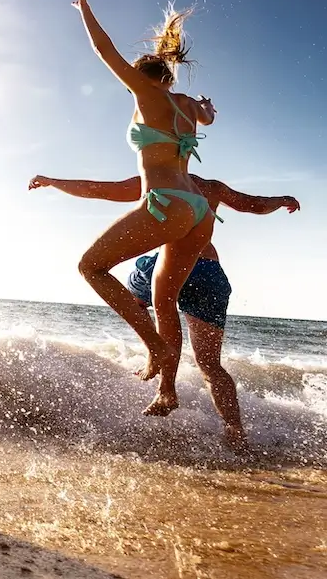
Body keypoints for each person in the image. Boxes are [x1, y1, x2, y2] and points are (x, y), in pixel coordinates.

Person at [29, 173, 300, 447]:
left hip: (168, 266)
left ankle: (159, 365)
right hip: (207, 272)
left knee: (140, 298)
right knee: (209, 365)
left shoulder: (160, 176)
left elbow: (99, 188)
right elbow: (251, 204)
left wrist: (54, 182)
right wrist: (281, 200)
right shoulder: (211, 188)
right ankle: (235, 432)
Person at [73, 0, 218, 417]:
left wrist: (83, 7)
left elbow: (104, 49)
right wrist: (208, 108)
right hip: (198, 209)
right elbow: (209, 114)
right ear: (169, 76)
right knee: (164, 301)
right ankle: (168, 390)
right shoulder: (189, 105)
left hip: (166, 203)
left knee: (91, 267)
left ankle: (155, 346)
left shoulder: (145, 94)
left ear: (143, 76)